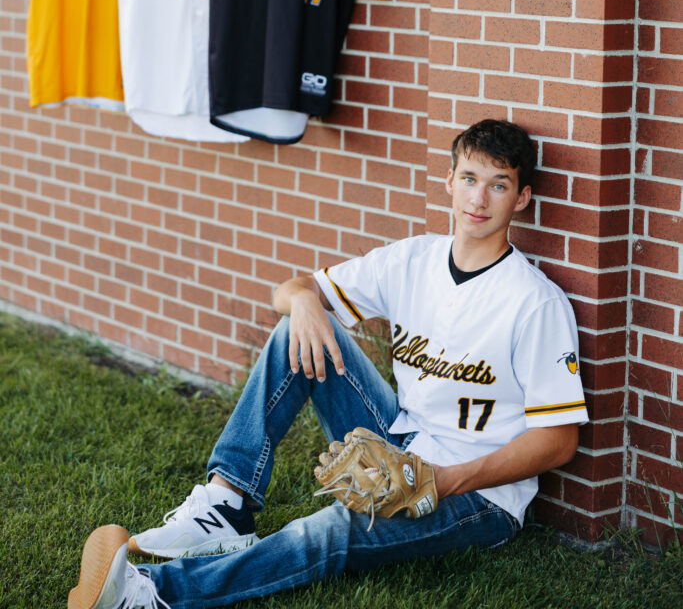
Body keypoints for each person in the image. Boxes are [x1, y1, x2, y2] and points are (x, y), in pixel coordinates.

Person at [68, 119, 588, 609]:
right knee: (297, 326)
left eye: (499, 185)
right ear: (449, 180)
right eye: (470, 178)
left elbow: (559, 440)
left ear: (521, 199)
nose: (479, 198)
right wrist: (305, 304)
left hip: (478, 496)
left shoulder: (534, 303)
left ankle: (151, 596)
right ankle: (227, 503)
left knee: (330, 530)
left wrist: (441, 481)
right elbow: (291, 290)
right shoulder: (413, 260)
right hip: (402, 441)